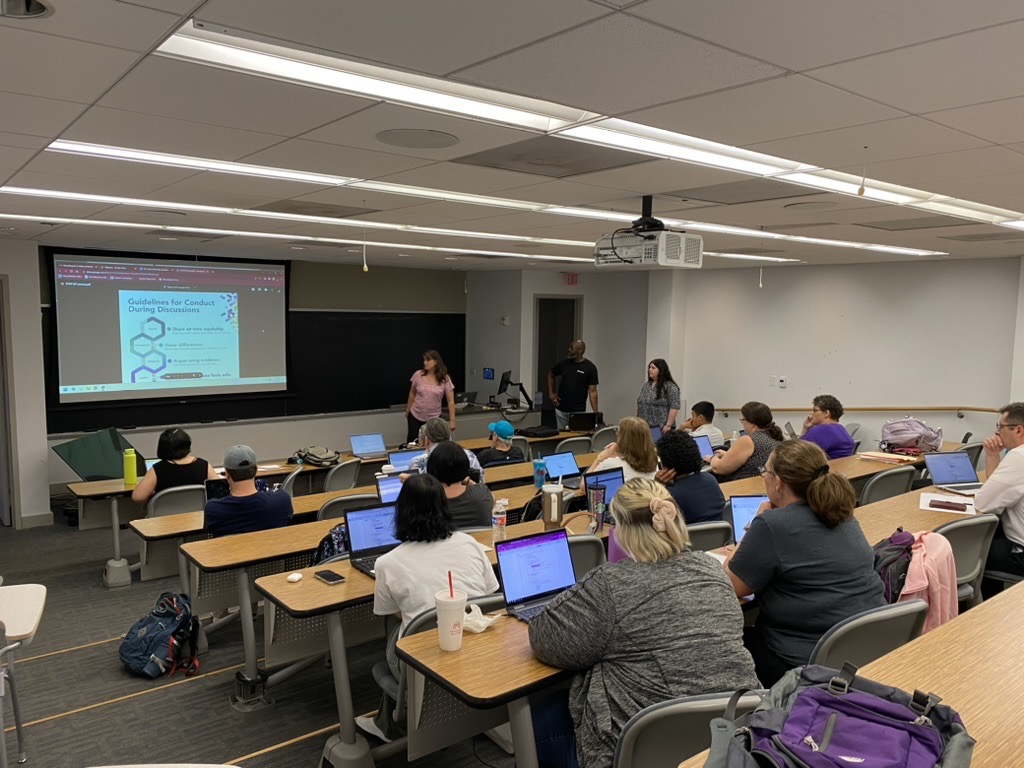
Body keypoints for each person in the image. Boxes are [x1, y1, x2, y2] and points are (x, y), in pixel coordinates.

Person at [528, 479, 759, 768]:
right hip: (731, 741)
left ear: (621, 530)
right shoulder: (712, 568)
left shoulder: (610, 584)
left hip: (637, 751)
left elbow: (545, 638)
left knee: (534, 722)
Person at [725, 440, 885, 686]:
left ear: (778, 482)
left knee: (728, 641)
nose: (764, 478)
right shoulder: (842, 514)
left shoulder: (772, 524)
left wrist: (752, 526)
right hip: (866, 650)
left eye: (765, 473)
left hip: (803, 664)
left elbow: (733, 586)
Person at [360, 473, 499, 743]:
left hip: (425, 664)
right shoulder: (470, 544)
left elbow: (392, 613)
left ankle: (392, 723)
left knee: (400, 631)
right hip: (480, 650)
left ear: (400, 512)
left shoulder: (387, 563)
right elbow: (490, 595)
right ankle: (388, 719)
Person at [975, 402, 1024, 594]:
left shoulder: (1019, 457)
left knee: (963, 553)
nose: (997, 433)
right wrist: (993, 454)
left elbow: (984, 503)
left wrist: (992, 455)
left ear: (1018, 430)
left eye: (1000, 427)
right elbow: (997, 492)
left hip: (1020, 554)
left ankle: (979, 614)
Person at [202, 445, 293, 536]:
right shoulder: (282, 500)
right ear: (256, 470)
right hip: (271, 549)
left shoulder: (213, 509)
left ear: (227, 474)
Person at [131, 427, 218, 504]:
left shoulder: (158, 469)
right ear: (187, 444)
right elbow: (220, 492)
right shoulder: (204, 465)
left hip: (164, 520)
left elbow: (138, 497)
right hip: (198, 518)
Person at [655, 430, 726, 524]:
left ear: (664, 464)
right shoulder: (710, 480)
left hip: (686, 538)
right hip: (720, 538)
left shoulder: (669, 496)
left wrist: (656, 487)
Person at [425, 440, 493, 529]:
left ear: (432, 467)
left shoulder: (425, 502)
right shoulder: (483, 494)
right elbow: (493, 499)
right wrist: (467, 480)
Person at [709, 402, 783, 483]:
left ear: (752, 423)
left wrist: (712, 458)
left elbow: (718, 468)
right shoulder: (774, 437)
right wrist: (726, 456)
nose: (742, 423)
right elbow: (753, 459)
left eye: (743, 420)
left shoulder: (748, 440)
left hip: (741, 487)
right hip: (761, 485)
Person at [406, 417, 484, 479]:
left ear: (426, 440)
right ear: (449, 436)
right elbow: (480, 481)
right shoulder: (470, 455)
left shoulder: (417, 462)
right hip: (467, 497)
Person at [406, 349, 456, 444]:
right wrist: (408, 410)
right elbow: (412, 393)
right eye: (424, 360)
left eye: (428, 360)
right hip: (415, 415)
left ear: (436, 362)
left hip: (434, 418)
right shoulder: (418, 375)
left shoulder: (445, 379)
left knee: (434, 443)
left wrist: (452, 420)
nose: (425, 362)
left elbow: (451, 401)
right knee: (413, 443)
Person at [586, 416, 657, 483]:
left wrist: (600, 458)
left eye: (617, 432)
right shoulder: (655, 461)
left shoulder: (611, 464)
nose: (616, 434)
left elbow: (584, 485)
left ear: (622, 439)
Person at [548, 340, 599, 431]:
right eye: (569, 346)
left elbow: (593, 392)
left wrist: (595, 414)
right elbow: (550, 374)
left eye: (572, 347)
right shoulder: (564, 364)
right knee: (561, 437)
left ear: (580, 351)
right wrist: (551, 393)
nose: (569, 349)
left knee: (575, 437)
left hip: (578, 411)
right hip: (561, 409)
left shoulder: (590, 368)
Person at [799, 394, 855, 459]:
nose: (812, 413)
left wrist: (804, 430)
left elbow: (795, 453)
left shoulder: (820, 430)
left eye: (815, 410)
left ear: (826, 413)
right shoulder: (841, 429)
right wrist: (806, 428)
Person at [636, 358, 680, 432]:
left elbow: (674, 406)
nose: (650, 369)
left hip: (660, 427)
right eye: (649, 367)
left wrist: (668, 425)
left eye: (653, 368)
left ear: (661, 370)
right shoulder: (647, 385)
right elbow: (640, 403)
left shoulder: (670, 386)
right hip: (644, 426)